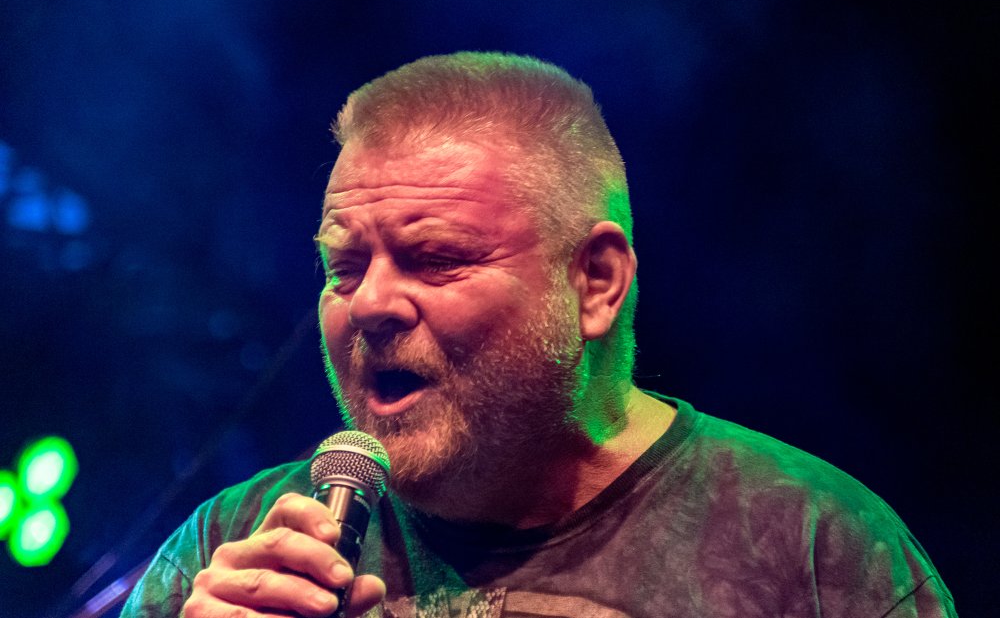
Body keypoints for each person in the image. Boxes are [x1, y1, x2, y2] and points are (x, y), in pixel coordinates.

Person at [121, 52, 956, 618]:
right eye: (343, 266)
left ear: (595, 282)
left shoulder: (810, 547)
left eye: (435, 258)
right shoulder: (229, 550)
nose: (368, 302)